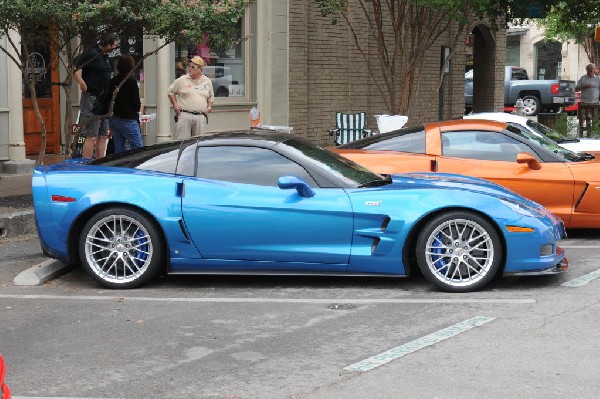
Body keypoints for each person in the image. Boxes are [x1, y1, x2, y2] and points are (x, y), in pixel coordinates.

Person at [74, 33, 118, 158]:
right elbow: (73, 66)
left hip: (104, 100)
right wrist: (82, 83)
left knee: (103, 134)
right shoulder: (92, 53)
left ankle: (100, 162)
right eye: (113, 46)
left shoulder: (105, 57)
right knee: (91, 135)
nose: (114, 49)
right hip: (92, 98)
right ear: (107, 44)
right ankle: (88, 164)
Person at [168, 56, 214, 139]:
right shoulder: (182, 79)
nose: (190, 69)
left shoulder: (207, 81)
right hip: (185, 115)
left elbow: (211, 97)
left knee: (198, 143)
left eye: (193, 67)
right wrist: (175, 104)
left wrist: (209, 107)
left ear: (200, 69)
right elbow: (170, 92)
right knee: (182, 143)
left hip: (200, 116)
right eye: (189, 66)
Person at [108, 54, 143, 153]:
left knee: (119, 149)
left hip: (114, 118)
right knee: (138, 149)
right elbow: (136, 105)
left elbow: (108, 100)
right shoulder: (131, 82)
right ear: (131, 66)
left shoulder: (113, 81)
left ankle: (120, 167)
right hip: (128, 119)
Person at [575, 63, 600, 130]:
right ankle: (583, 132)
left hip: (595, 102)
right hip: (584, 102)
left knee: (595, 119)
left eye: (592, 68)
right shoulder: (583, 78)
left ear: (594, 69)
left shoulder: (598, 79)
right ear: (586, 70)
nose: (590, 70)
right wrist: (584, 87)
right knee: (583, 119)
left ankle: (595, 133)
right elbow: (576, 89)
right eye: (588, 68)